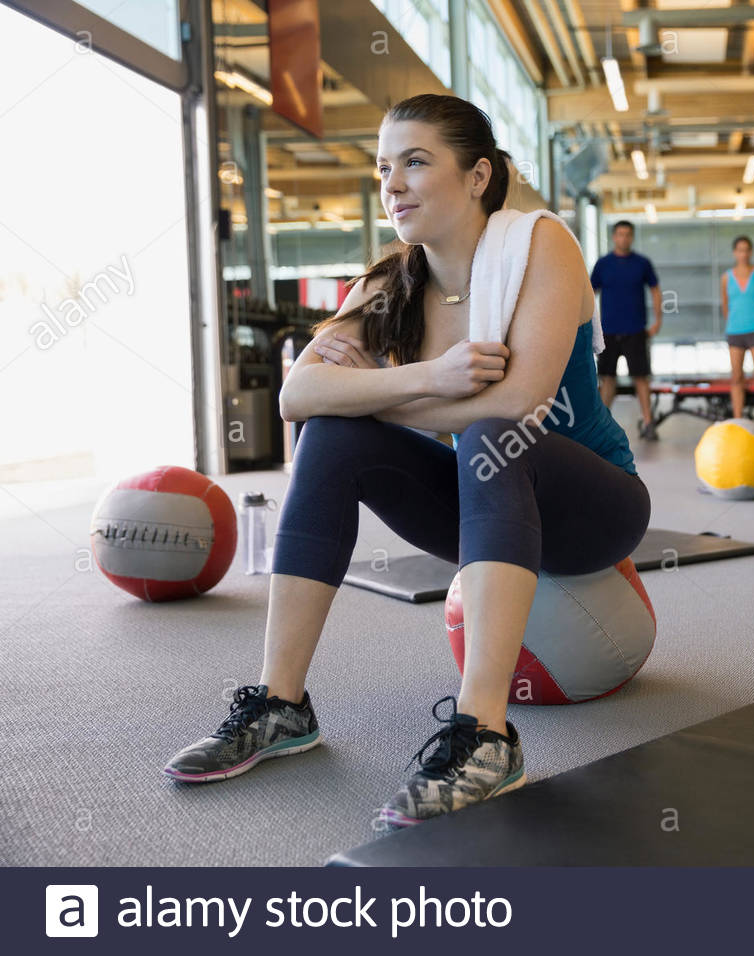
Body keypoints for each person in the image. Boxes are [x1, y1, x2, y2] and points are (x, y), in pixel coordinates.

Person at [162, 94, 651, 828]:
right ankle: (281, 703)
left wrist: (372, 395)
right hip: (482, 504)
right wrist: (428, 376)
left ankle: (486, 736)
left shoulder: (540, 245)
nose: (393, 182)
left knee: (487, 434)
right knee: (330, 435)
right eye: (385, 167)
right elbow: (300, 395)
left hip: (593, 505)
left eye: (416, 162)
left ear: (479, 175)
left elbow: (518, 405)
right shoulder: (393, 281)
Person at [591, 221, 662, 440]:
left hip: (635, 331)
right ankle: (601, 427)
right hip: (608, 332)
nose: (624, 238)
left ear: (631, 237)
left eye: (628, 234)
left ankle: (648, 423)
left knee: (641, 378)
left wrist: (658, 320)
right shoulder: (603, 264)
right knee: (607, 379)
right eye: (620, 234)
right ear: (614, 237)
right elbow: (589, 294)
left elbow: (655, 290)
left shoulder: (642, 263)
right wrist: (588, 324)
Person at [720, 236, 754, 431]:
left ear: (751, 252)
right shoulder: (726, 277)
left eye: (746, 250)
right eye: (739, 250)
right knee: (736, 376)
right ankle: (738, 420)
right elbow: (725, 305)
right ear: (735, 253)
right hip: (735, 331)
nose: (743, 254)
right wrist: (734, 322)